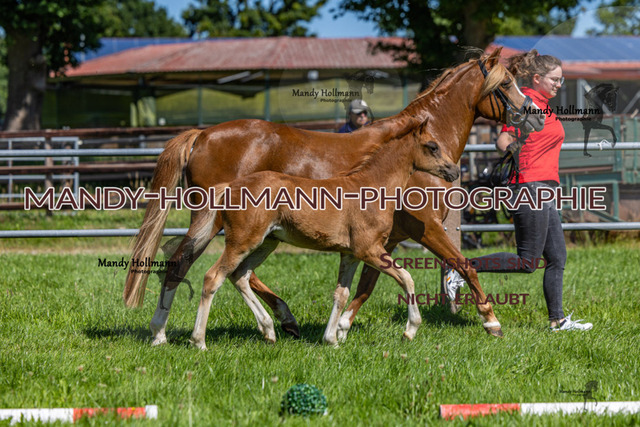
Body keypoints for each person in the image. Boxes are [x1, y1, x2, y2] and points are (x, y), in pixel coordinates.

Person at [445, 49, 592, 332]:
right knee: (527, 262)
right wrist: (514, 148)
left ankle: (558, 320)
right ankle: (460, 268)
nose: (559, 85)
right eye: (554, 80)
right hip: (529, 186)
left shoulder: (544, 106)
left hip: (545, 188)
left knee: (557, 257)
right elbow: (503, 138)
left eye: (561, 80)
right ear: (537, 78)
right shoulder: (525, 104)